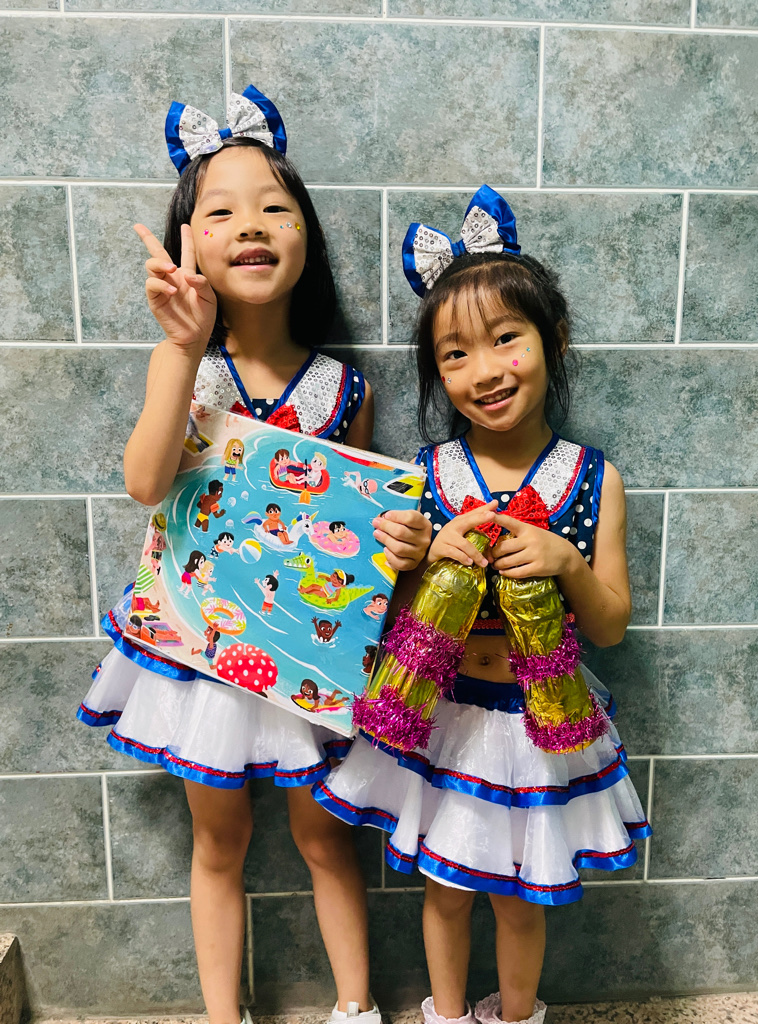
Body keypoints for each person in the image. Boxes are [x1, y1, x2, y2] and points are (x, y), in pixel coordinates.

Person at [76, 86, 431, 1024]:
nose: (251, 226)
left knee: (326, 837)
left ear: (306, 236)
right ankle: (222, 1017)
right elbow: (145, 482)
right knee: (219, 843)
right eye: (221, 212)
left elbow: (359, 534)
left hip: (309, 649)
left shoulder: (344, 389)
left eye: (275, 207)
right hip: (200, 651)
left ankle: (354, 1007)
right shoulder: (183, 366)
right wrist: (180, 349)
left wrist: (401, 544)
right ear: (187, 241)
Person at [314, 187, 652, 1024]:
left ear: (554, 339)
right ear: (436, 373)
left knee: (518, 898)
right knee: (446, 890)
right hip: (447, 715)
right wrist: (423, 555)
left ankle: (517, 1015)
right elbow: (379, 615)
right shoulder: (423, 476)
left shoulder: (594, 478)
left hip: (540, 724)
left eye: (506, 338)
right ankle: (446, 1013)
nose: (486, 370)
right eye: (455, 354)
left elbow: (610, 624)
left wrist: (566, 561)